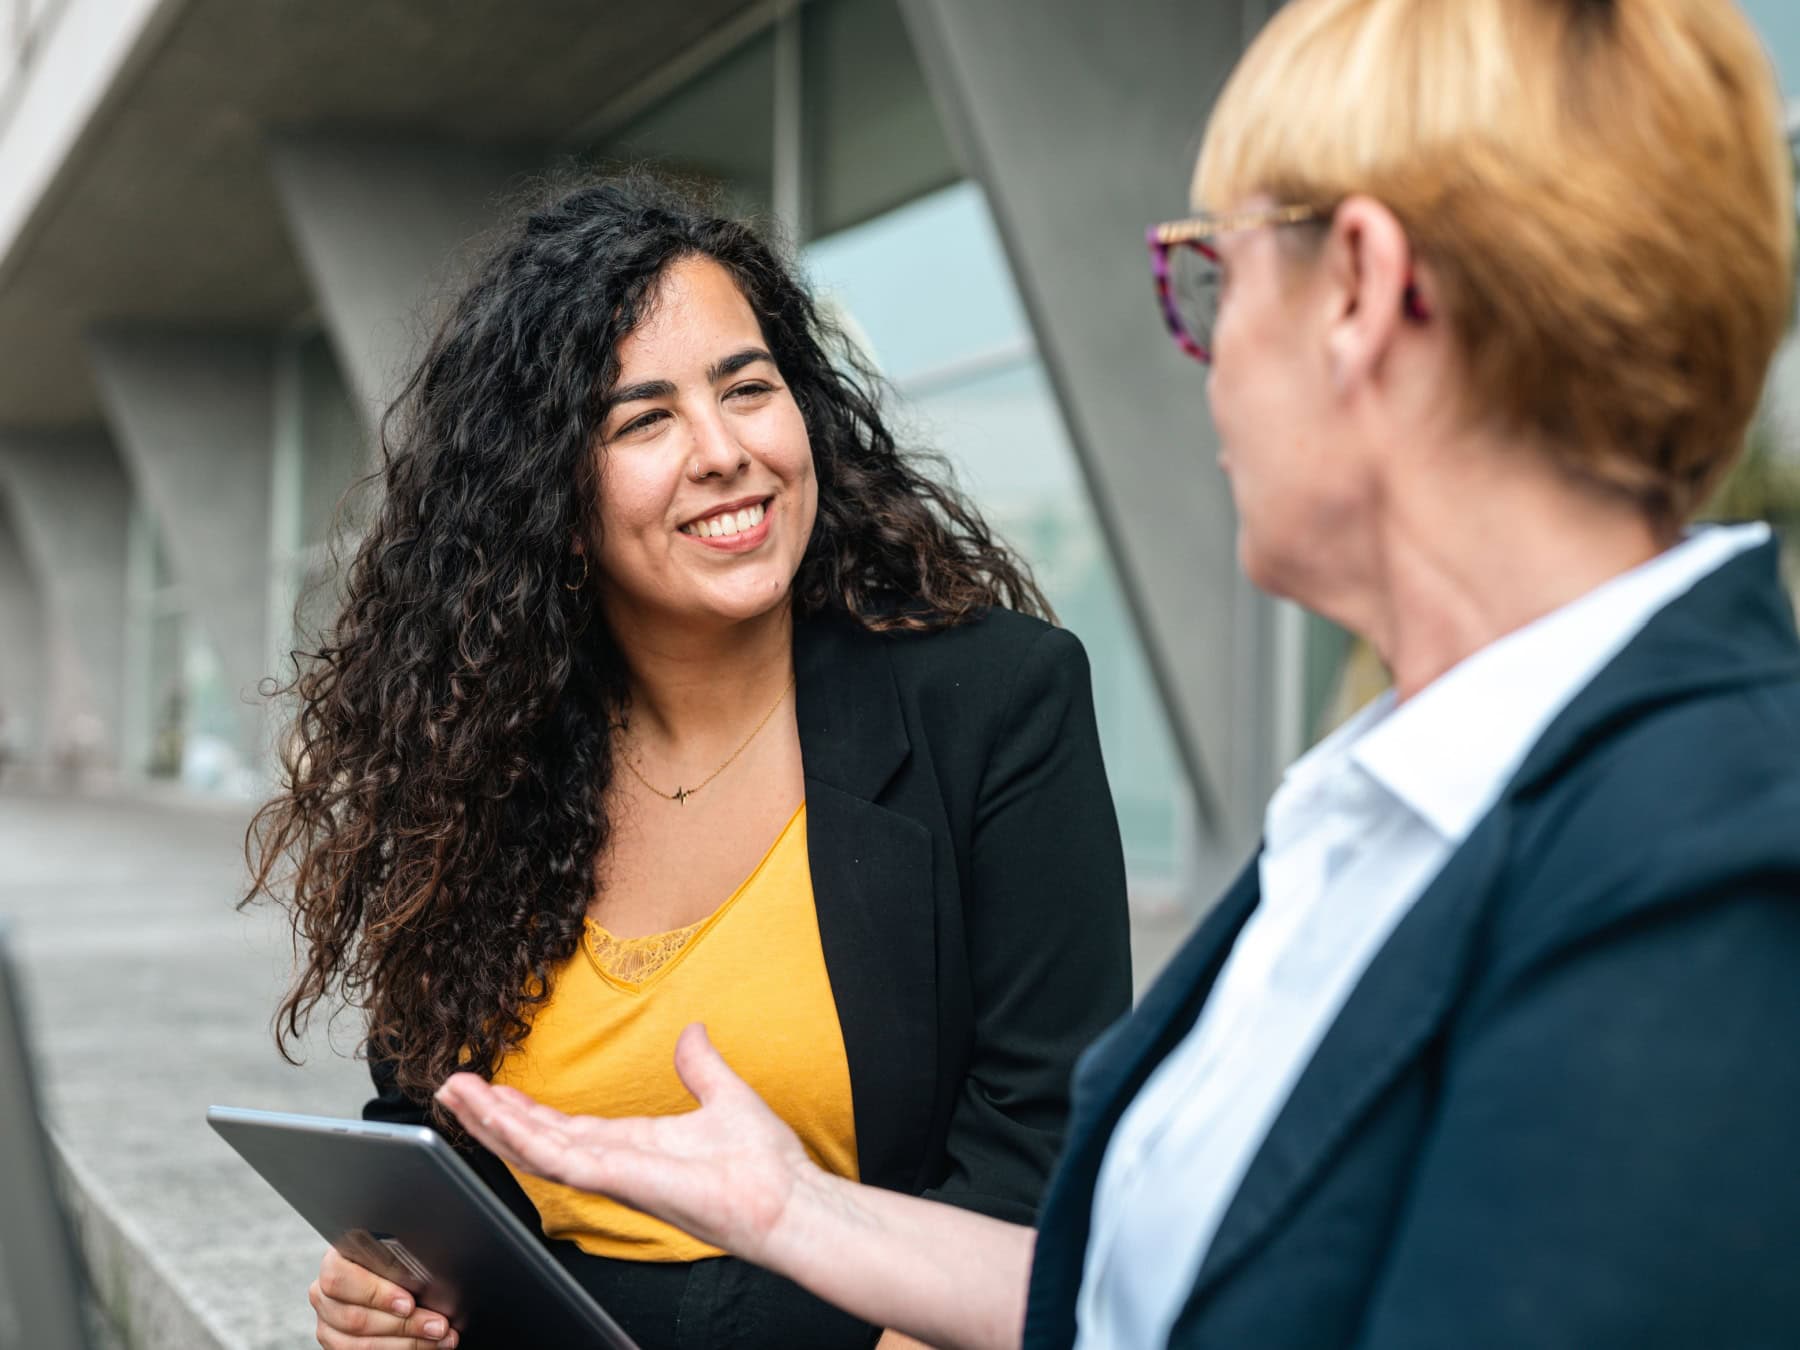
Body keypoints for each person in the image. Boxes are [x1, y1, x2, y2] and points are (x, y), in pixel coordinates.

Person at [438, 1, 1800, 1346]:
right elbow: (1163, 1294)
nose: (1198, 354)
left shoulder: (1708, 875)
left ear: (1364, 293)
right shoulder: (1394, 804)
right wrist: (800, 1213)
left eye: (1215, 277)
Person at [243, 175, 1132, 1350]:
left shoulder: (995, 700)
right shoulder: (478, 757)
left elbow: (1041, 1149)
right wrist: (391, 1297)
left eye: (748, 389)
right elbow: (432, 1132)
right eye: (644, 419)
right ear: (551, 499)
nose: (724, 452)